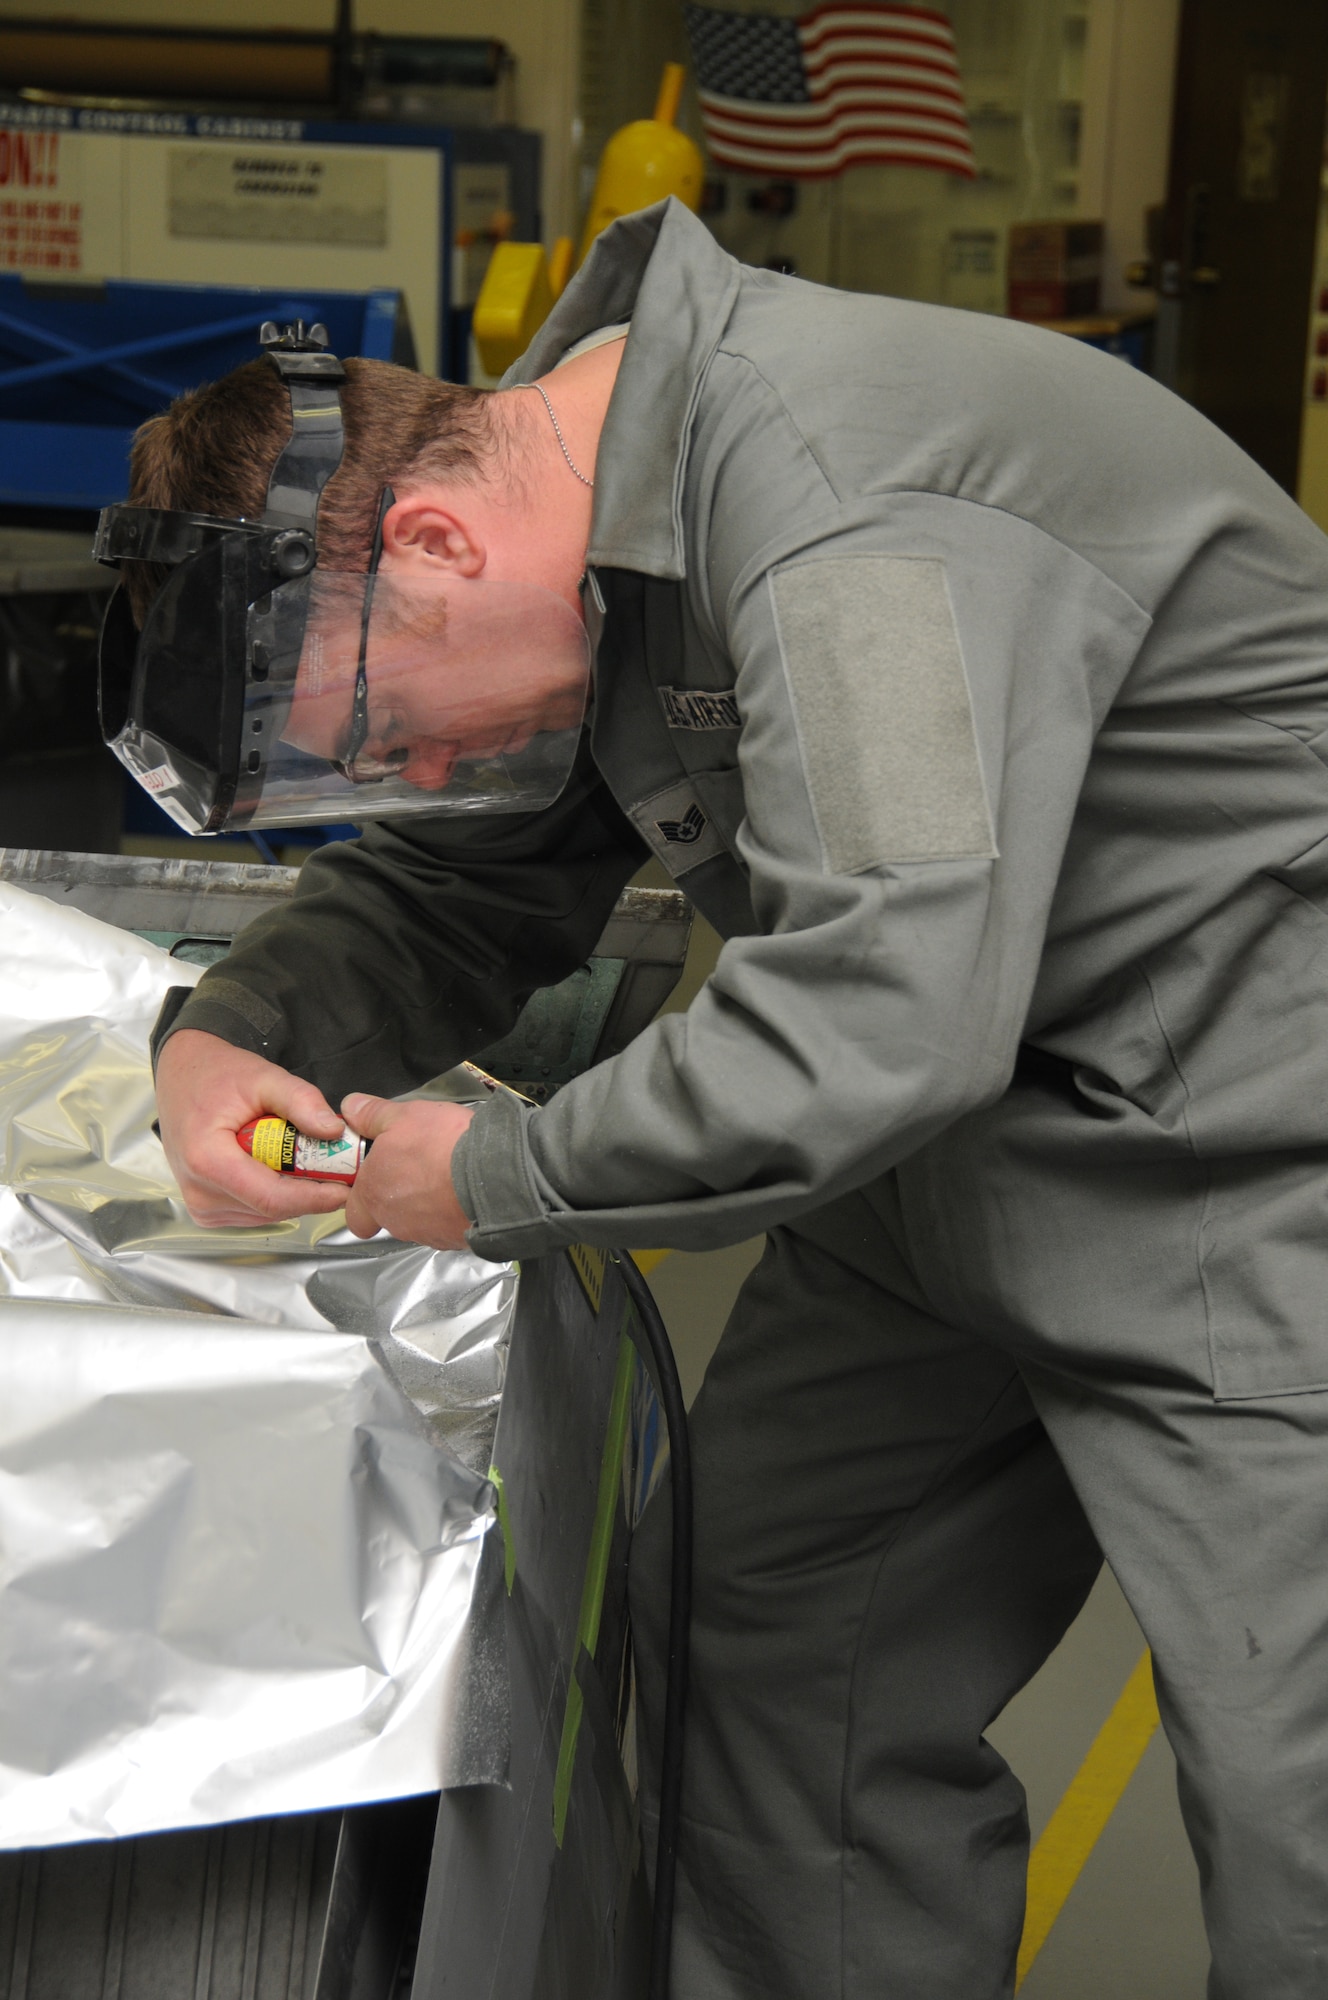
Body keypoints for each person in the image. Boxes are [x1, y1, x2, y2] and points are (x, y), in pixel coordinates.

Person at [134, 198, 1328, 1998]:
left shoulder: (844, 509)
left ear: (439, 538)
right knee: (774, 1664)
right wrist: (237, 1025)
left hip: (1247, 1173)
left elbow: (881, 1007)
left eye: (382, 733)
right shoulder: (593, 508)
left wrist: (509, 1172)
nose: (413, 772)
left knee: (1295, 1796)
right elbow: (468, 880)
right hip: (948, 1177)